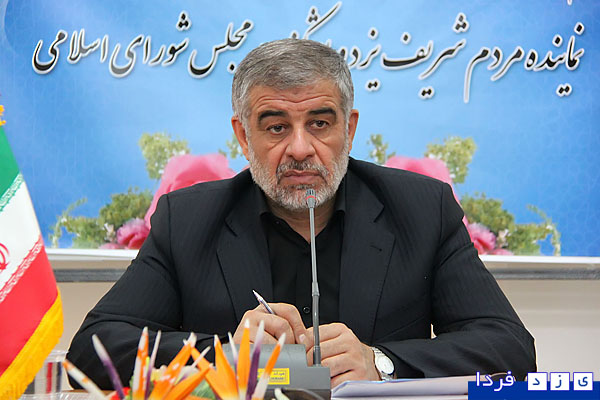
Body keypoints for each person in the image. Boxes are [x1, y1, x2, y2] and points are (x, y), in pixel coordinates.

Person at [68, 38, 536, 389]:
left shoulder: (422, 210)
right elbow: (91, 351)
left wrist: (381, 362)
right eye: (276, 127)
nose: (299, 148)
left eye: (319, 123)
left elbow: (512, 351)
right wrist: (225, 355)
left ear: (349, 129)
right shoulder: (188, 220)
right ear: (243, 136)